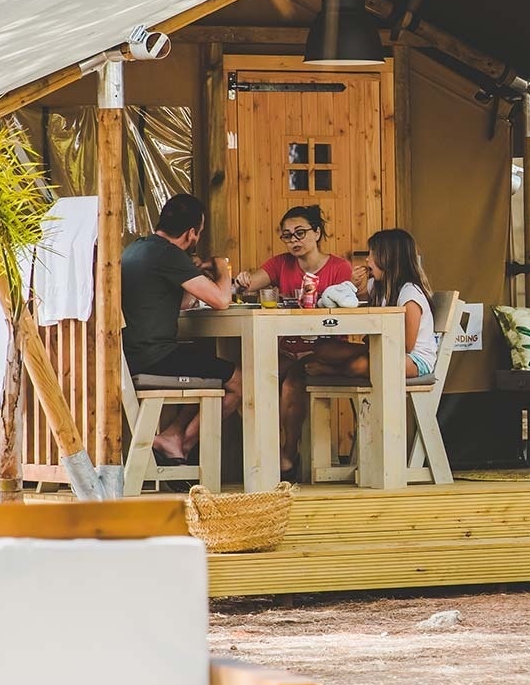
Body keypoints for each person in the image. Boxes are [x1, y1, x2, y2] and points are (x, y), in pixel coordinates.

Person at [121, 193, 243, 464]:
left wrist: (195, 273)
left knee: (208, 371)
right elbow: (222, 301)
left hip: (132, 353)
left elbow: (184, 302)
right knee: (240, 381)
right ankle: (182, 444)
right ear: (191, 233)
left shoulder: (136, 248)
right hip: (153, 356)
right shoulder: (169, 254)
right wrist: (223, 267)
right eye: (198, 234)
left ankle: (173, 436)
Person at [234, 204, 352, 479]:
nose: (294, 241)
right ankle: (270, 451)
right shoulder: (280, 264)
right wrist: (241, 280)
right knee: (245, 379)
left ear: (317, 232)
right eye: (287, 236)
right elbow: (250, 284)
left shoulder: (338, 267)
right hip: (286, 348)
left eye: (300, 233)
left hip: (324, 349)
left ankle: (288, 455)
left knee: (291, 384)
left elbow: (348, 309)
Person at [305, 228, 436, 379]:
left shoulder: (410, 294)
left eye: (372, 254)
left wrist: (368, 350)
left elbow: (407, 346)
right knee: (323, 349)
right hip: (381, 348)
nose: (367, 260)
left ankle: (333, 371)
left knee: (359, 365)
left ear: (388, 258)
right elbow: (347, 300)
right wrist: (351, 284)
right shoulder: (376, 286)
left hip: (414, 358)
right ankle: (351, 363)